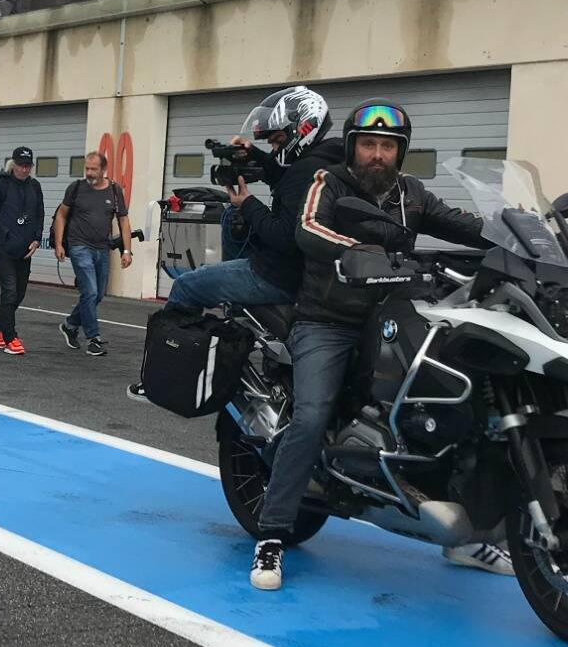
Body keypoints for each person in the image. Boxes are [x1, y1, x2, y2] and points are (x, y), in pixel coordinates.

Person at [249, 101, 508, 593]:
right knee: (311, 417)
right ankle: (273, 532)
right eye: (368, 144)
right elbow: (307, 229)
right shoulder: (329, 183)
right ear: (351, 147)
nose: (377, 155)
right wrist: (356, 250)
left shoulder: (411, 193)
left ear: (400, 152)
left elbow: (461, 224)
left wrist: (516, 236)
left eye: (387, 146)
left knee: (461, 400)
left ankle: (464, 533)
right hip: (329, 319)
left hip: (394, 312)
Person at [126, 86, 335, 399]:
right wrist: (257, 158)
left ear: (302, 128)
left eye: (277, 140)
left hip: (279, 274)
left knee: (187, 287)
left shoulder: (306, 170)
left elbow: (284, 236)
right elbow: (288, 182)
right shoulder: (328, 159)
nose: (276, 147)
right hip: (312, 275)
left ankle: (159, 375)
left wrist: (247, 204)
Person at [52, 150, 131, 357]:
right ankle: (93, 338)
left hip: (102, 248)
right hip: (79, 246)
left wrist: (127, 250)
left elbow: (123, 220)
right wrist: (59, 244)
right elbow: (61, 214)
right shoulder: (76, 188)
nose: (89, 172)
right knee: (90, 292)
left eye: (93, 169)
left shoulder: (114, 191)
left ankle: (70, 325)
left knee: (98, 294)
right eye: (87, 168)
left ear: (104, 170)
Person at [0, 145, 44, 355]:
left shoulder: (35, 187)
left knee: (19, 294)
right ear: (13, 164)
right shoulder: (0, 186)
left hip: (24, 249)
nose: (24, 170)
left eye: (28, 166)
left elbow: (39, 215)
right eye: (21, 165)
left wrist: (37, 239)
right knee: (10, 291)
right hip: (3, 247)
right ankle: (10, 337)